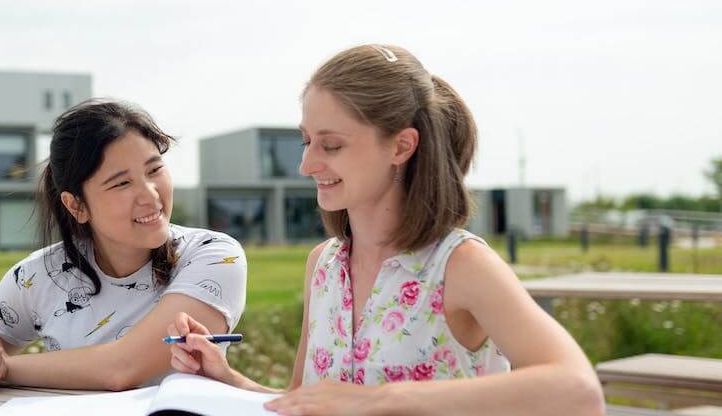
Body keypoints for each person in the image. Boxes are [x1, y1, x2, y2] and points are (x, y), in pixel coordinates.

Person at [167, 44, 605, 415]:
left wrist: (382, 400)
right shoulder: (324, 264)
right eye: (307, 141)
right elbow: (307, 402)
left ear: (401, 145)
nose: (307, 164)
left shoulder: (461, 265)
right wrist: (226, 377)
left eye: (331, 145)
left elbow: (579, 391)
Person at [0, 99, 248, 391]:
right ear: (76, 205)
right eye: (122, 183)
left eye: (154, 170)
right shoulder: (39, 275)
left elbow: (122, 368)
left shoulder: (214, 256)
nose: (150, 195)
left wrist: (3, 369)